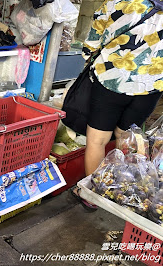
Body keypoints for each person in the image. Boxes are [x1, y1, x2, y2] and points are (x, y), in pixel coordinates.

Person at [71, 0, 163, 209]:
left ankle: (92, 197)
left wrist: (89, 56)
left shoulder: (117, 2)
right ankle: (126, 194)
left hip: (112, 80)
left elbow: (93, 42)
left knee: (97, 140)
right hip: (150, 88)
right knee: (128, 140)